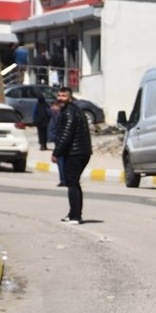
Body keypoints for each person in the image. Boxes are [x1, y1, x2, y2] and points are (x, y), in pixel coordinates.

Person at [51, 86, 91, 223]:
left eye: (63, 96)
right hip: (78, 151)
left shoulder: (69, 112)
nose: (60, 98)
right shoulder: (71, 110)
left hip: (76, 153)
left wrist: (56, 153)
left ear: (70, 98)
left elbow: (66, 135)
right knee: (72, 182)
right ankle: (73, 213)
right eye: (59, 96)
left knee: (72, 183)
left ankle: (76, 216)